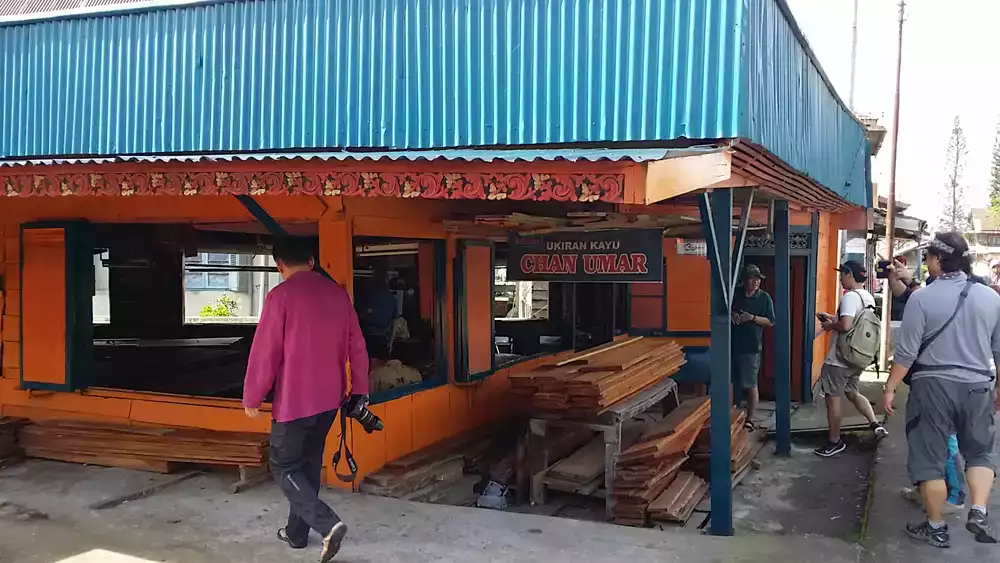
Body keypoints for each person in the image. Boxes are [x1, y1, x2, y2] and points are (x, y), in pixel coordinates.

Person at [243, 237, 370, 562]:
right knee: (309, 464)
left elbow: (266, 351)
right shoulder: (338, 295)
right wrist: (360, 389)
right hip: (329, 400)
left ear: (279, 266)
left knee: (284, 465)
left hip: (294, 402)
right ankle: (297, 535)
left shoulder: (280, 296)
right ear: (312, 261)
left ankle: (327, 524)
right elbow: (358, 347)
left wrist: (253, 394)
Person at [884, 231, 1000, 548]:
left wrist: (890, 387)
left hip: (932, 387)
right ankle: (978, 511)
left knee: (929, 460)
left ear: (936, 259)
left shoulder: (922, 298)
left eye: (928, 257)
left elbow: (906, 353)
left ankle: (936, 527)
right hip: (978, 385)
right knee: (980, 452)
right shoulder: (991, 298)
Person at [814, 260, 889, 458]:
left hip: (840, 359)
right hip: (858, 357)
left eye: (842, 274)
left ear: (849, 274)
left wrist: (830, 325)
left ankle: (834, 441)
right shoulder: (867, 297)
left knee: (833, 398)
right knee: (852, 392)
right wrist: (833, 318)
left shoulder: (849, 297)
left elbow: (846, 325)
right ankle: (874, 424)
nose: (840, 278)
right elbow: (853, 322)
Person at [730, 264, 775, 429]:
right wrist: (732, 314)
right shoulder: (736, 293)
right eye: (752, 279)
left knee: (750, 383)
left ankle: (750, 418)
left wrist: (752, 318)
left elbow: (770, 321)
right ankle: (731, 414)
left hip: (751, 346)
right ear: (745, 280)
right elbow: (725, 309)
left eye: (758, 279)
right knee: (731, 381)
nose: (756, 282)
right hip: (731, 344)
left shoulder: (764, 298)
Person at [356, 266, 398, 359]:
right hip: (382, 338)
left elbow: (359, 315)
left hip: (367, 337)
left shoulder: (367, 296)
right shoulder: (392, 299)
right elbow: (395, 322)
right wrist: (390, 341)